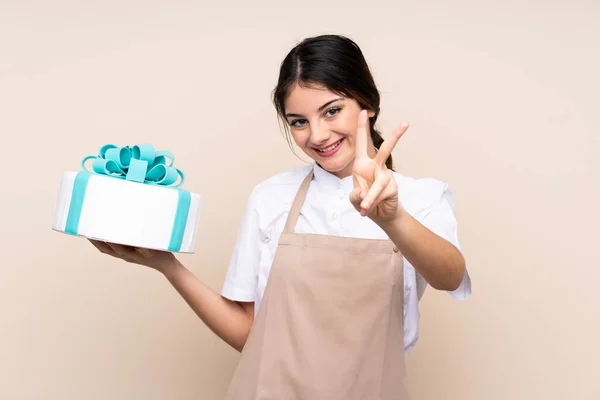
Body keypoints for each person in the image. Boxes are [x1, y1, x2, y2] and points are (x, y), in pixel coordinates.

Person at [90, 34, 471, 399]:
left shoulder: (422, 196)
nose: (317, 135)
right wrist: (167, 266)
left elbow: (449, 276)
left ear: (366, 104)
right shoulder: (271, 198)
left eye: (332, 110)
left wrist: (392, 219)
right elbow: (249, 334)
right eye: (298, 121)